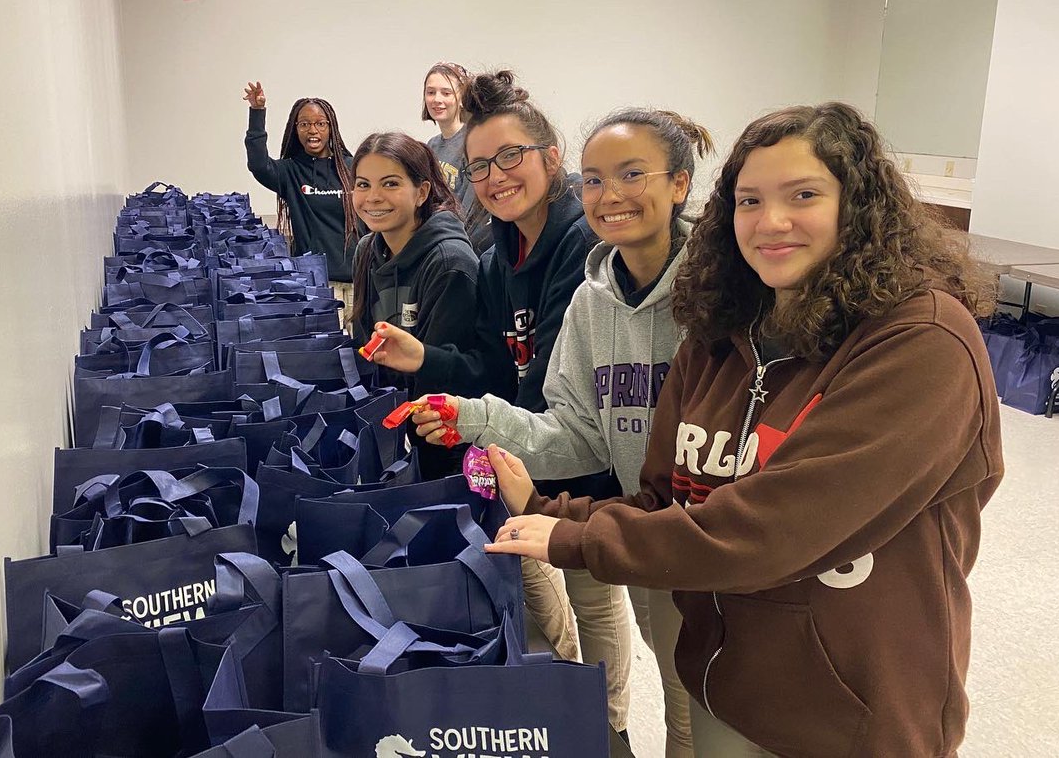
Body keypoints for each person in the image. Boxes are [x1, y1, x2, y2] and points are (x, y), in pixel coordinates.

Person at [486, 102, 1004, 757]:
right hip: (728, 689)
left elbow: (773, 528)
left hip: (855, 714)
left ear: (859, 205)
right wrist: (546, 509)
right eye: (750, 200)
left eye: (803, 195)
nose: (771, 221)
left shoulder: (922, 341)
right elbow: (666, 501)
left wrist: (576, 537)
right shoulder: (715, 338)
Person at [412, 108, 712, 756]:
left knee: (698, 706)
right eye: (596, 178)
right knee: (673, 673)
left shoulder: (722, 294)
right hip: (645, 525)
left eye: (632, 174)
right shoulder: (590, 299)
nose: (610, 194)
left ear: (679, 184)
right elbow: (579, 430)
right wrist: (475, 419)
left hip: (722, 544)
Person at [366, 70, 635, 739]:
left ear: (552, 157)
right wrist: (425, 360)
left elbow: (553, 375)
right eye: (480, 165)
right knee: (544, 579)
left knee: (595, 591)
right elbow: (490, 364)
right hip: (528, 443)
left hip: (587, 453)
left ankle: (609, 729)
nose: (494, 176)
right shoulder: (496, 256)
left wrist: (489, 429)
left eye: (510, 156)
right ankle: (573, 700)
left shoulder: (582, 244)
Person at [349, 131, 479, 479]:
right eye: (363, 184)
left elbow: (449, 376)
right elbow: (364, 346)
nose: (373, 197)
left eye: (390, 183)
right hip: (392, 431)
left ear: (422, 192)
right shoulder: (367, 249)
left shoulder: (449, 262)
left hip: (441, 442)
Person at [242, 82, 357, 310]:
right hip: (317, 283)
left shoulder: (352, 168)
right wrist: (257, 112)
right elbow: (258, 164)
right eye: (304, 124)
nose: (313, 130)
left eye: (320, 124)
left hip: (359, 281)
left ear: (331, 128)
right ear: (295, 129)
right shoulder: (290, 171)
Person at [422, 61, 491, 252]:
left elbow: (472, 210)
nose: (437, 99)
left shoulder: (473, 142)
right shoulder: (431, 145)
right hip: (436, 239)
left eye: (446, 93)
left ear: (461, 98)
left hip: (461, 245)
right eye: (430, 92)